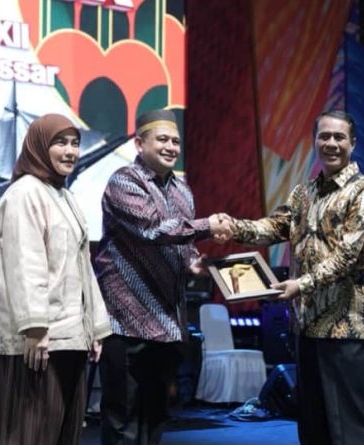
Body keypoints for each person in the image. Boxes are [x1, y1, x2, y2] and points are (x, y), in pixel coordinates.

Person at [214, 110, 364, 445]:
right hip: (306, 328)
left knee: (353, 429)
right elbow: (273, 227)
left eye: (339, 137)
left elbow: (348, 257)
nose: (331, 143)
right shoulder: (304, 193)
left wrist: (300, 285)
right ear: (314, 141)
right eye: (324, 136)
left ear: (353, 143)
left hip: (347, 328)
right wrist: (232, 227)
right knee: (313, 427)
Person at [94, 108, 224, 445]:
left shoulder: (183, 190)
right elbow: (153, 229)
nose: (171, 147)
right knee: (123, 417)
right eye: (162, 139)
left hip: (167, 321)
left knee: (155, 417)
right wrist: (208, 225)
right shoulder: (124, 181)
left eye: (175, 141)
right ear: (140, 144)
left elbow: (182, 244)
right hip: (126, 319)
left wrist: (193, 262)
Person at [0, 113, 111, 445]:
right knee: (31, 434)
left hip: (71, 336)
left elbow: (83, 268)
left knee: (64, 433)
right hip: (40, 340)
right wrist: (35, 327)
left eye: (75, 143)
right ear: (39, 146)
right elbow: (24, 263)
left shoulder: (64, 196)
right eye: (60, 143)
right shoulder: (24, 193)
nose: (70, 151)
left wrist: (94, 328)